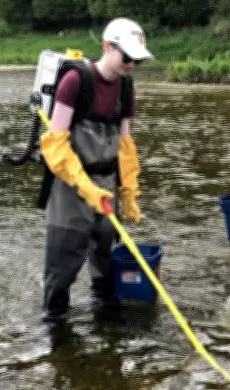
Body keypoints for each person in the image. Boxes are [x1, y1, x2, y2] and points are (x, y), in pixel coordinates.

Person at [38, 17, 153, 326]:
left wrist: (128, 192)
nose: (131, 64)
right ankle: (54, 325)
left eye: (136, 60)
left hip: (107, 182)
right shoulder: (76, 81)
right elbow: (56, 145)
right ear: (107, 47)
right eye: (126, 56)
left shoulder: (126, 86)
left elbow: (126, 144)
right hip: (70, 185)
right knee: (64, 263)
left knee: (105, 257)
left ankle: (106, 316)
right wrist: (86, 188)